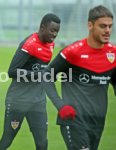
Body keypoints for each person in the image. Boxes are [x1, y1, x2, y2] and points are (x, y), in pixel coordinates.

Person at [43, 5, 115, 150]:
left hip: (98, 122)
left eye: (110, 26)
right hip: (74, 120)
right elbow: (46, 77)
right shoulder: (72, 52)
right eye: (102, 26)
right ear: (90, 25)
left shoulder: (113, 54)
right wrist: (61, 106)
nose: (107, 31)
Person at [0, 13, 61, 150]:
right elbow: (12, 72)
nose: (54, 34)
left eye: (57, 31)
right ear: (42, 27)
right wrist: (39, 75)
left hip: (38, 102)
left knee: (42, 143)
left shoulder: (50, 44)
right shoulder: (29, 44)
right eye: (52, 30)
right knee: (6, 140)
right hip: (18, 101)